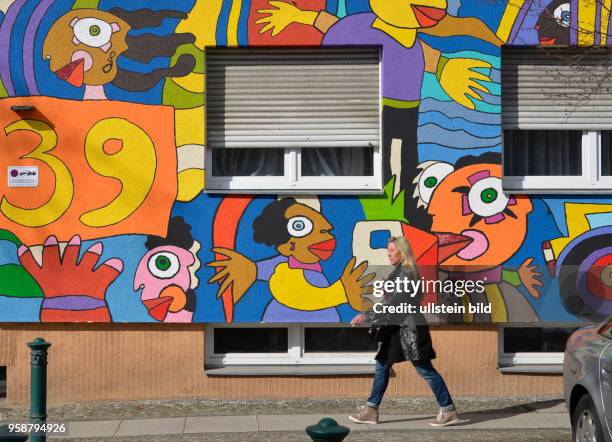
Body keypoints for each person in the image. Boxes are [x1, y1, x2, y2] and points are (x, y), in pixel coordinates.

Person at [349, 236, 458, 426]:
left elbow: (395, 302)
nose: (388, 253)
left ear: (402, 252)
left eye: (392, 250)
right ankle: (371, 410)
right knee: (382, 365)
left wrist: (366, 315)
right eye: (388, 250)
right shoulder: (402, 271)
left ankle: (448, 410)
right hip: (399, 327)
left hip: (409, 329)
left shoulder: (405, 272)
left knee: (425, 370)